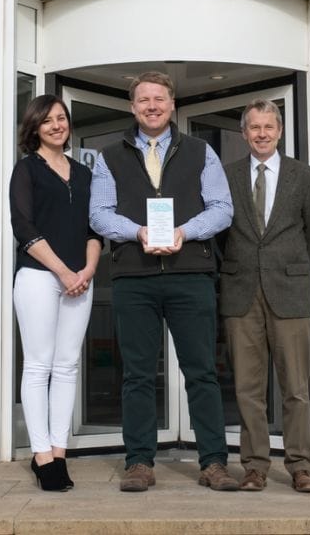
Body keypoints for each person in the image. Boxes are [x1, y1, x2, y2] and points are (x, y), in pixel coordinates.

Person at [89, 71, 239, 493]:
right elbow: (99, 214)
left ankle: (214, 462)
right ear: (132, 107)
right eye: (143, 100)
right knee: (137, 375)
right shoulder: (109, 157)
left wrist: (183, 233)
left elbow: (222, 208)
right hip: (134, 276)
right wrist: (137, 231)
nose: (151, 106)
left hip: (190, 273)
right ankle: (139, 461)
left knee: (202, 372)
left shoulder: (201, 152)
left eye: (159, 99)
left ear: (172, 104)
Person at [219, 98, 310, 493]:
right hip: (241, 292)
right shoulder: (226, 176)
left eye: (268, 127)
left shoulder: (305, 177)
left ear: (279, 131)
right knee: (247, 389)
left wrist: (291, 270)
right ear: (243, 133)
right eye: (254, 127)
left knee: (296, 388)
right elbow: (218, 234)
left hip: (290, 292)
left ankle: (301, 466)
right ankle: (254, 467)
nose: (262, 134)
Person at [10, 94, 102, 492]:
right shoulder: (27, 169)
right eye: (47, 120)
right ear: (34, 127)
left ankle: (59, 452)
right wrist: (63, 272)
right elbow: (23, 226)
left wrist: (88, 270)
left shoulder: (84, 174)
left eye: (61, 118)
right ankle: (42, 455)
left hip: (80, 278)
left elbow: (94, 229)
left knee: (67, 366)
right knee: (38, 365)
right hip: (39, 277)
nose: (56, 125)